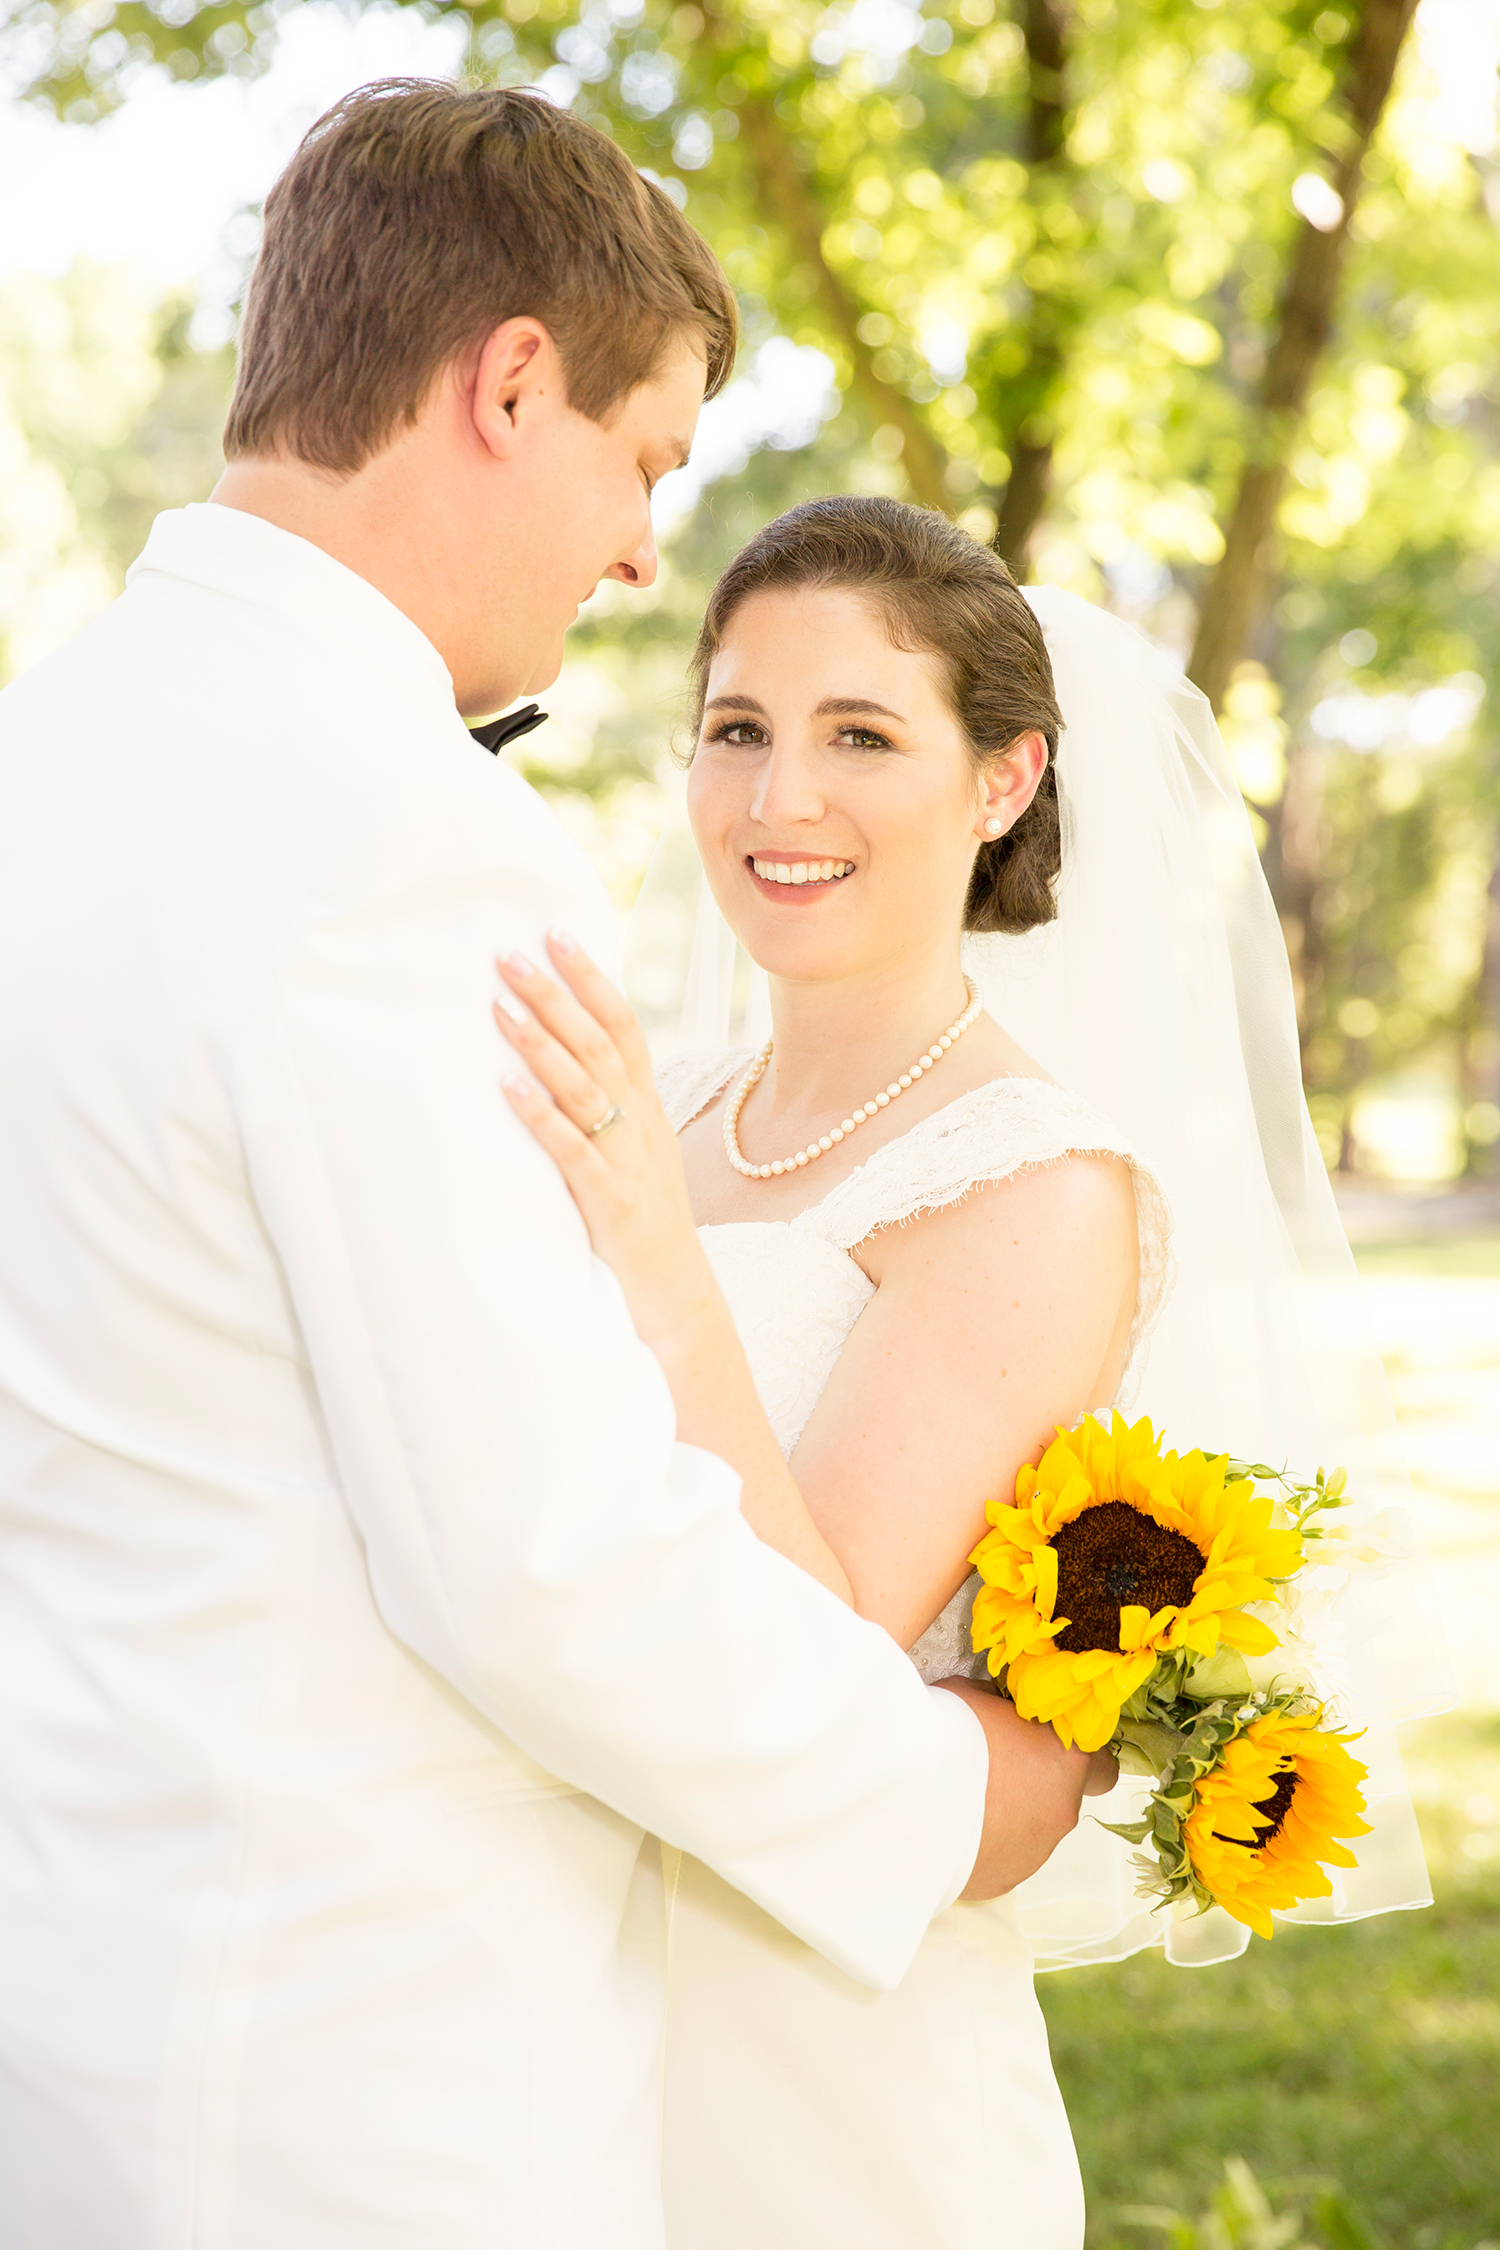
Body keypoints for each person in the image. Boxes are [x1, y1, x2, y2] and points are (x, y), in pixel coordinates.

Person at [0, 88, 1097, 2249]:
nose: (636, 555)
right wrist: (954, 1795)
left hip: (92, 2008)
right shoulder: (407, 834)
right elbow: (538, 1559)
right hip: (363, 2094)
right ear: (510, 381)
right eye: (646, 462)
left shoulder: (56, 749)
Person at [495, 494, 1441, 2248]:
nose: (782, 798)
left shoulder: (1032, 1184)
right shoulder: (673, 1110)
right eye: (738, 730)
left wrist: (645, 1250)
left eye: (862, 734)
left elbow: (821, 1642)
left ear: (1004, 778)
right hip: (571, 1998)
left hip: (829, 2071)